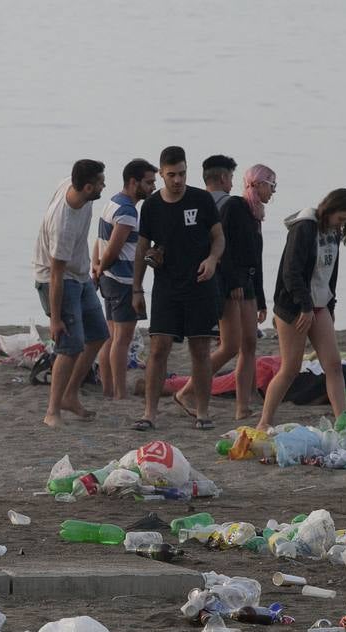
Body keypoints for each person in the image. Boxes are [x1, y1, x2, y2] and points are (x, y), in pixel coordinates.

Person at [130, 146, 224, 431]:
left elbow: (218, 237)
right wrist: (136, 289)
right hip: (166, 287)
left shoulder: (202, 199)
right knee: (159, 348)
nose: (178, 180)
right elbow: (142, 249)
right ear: (161, 174)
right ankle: (149, 414)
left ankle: (202, 413)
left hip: (200, 285)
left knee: (200, 349)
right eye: (171, 175)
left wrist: (212, 259)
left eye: (182, 173)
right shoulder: (152, 206)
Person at [174, 158, 273, 420]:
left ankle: (243, 407)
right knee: (230, 345)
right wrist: (234, 283)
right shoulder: (234, 206)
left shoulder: (252, 213)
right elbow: (223, 248)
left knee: (249, 344)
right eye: (271, 185)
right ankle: (187, 390)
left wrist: (261, 298)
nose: (273, 191)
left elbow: (256, 258)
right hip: (231, 285)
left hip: (248, 285)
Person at [255, 189, 346, 432]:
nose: (342, 225)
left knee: (333, 365)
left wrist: (330, 307)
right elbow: (291, 272)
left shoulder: (333, 232)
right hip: (294, 306)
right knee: (290, 368)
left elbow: (330, 273)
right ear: (329, 210)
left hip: (320, 305)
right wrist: (304, 307)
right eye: (340, 219)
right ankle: (264, 421)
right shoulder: (304, 228)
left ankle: (342, 422)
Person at [33, 159, 109, 426]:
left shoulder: (74, 186)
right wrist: (55, 319)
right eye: (100, 182)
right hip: (58, 280)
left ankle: (70, 394)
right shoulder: (63, 224)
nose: (104, 185)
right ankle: (52, 410)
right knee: (70, 344)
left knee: (99, 333)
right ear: (88, 187)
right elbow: (55, 275)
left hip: (80, 274)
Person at [92, 158, 157, 401]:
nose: (152, 187)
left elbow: (99, 241)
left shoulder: (113, 202)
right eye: (148, 182)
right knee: (122, 339)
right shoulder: (128, 211)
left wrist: (96, 267)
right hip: (122, 280)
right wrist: (100, 269)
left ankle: (109, 389)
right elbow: (114, 247)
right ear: (133, 182)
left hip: (110, 277)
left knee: (111, 337)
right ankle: (119, 392)